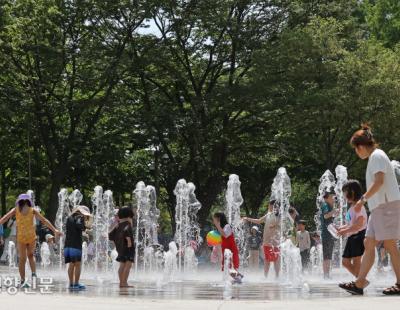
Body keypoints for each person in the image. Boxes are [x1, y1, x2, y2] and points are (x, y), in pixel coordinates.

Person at [339, 124, 400, 295]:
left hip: (386, 206)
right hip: (379, 208)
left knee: (389, 244)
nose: (357, 154)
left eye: (356, 150)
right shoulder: (375, 157)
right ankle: (360, 283)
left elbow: (379, 181)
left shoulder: (377, 156)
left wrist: (363, 199)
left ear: (360, 146)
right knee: (369, 242)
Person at [0, 194, 61, 287]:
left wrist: (54, 230)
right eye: (23, 202)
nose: (24, 203)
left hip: (31, 237)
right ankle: (23, 280)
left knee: (30, 255)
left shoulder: (33, 211)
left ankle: (33, 273)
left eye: (26, 202)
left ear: (28, 202)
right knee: (23, 259)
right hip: (21, 238)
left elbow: (44, 220)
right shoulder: (15, 210)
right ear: (20, 202)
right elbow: (5, 218)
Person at [336, 180, 367, 278]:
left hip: (358, 236)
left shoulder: (358, 207)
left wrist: (344, 231)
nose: (344, 195)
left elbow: (359, 225)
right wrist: (341, 228)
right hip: (352, 237)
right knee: (345, 262)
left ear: (352, 192)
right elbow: (350, 224)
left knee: (356, 261)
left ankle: (359, 282)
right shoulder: (352, 207)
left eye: (345, 192)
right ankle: (361, 280)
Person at [243, 199, 280, 278]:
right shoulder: (268, 214)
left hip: (274, 242)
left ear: (274, 206)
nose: (268, 206)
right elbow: (259, 221)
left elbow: (282, 225)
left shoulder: (279, 215)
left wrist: (274, 226)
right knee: (267, 260)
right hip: (266, 241)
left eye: (270, 205)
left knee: (276, 260)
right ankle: (266, 277)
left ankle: (276, 277)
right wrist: (248, 219)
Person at [64, 205, 92, 290]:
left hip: (67, 245)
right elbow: (81, 226)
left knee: (71, 265)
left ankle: (71, 283)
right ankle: (76, 284)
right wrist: (86, 225)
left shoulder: (69, 218)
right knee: (77, 264)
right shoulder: (79, 217)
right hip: (75, 245)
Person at [109, 206, 135, 288]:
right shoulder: (127, 224)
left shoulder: (118, 225)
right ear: (129, 215)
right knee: (128, 266)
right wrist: (129, 243)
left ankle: (121, 283)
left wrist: (117, 242)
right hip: (128, 248)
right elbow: (127, 233)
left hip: (120, 248)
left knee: (122, 266)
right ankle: (124, 283)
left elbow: (110, 235)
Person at [212, 212, 243, 282]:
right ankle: (237, 278)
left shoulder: (227, 226)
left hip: (231, 251)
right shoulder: (221, 228)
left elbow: (225, 235)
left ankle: (239, 278)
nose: (213, 221)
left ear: (219, 219)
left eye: (214, 218)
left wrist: (217, 225)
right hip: (226, 250)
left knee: (230, 268)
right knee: (226, 267)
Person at [320, 190, 337, 279]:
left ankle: (327, 274)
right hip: (326, 234)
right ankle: (325, 275)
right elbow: (326, 216)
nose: (334, 198)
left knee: (328, 255)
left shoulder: (329, 206)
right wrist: (334, 212)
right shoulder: (325, 205)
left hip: (329, 234)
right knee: (326, 255)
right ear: (326, 198)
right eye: (332, 197)